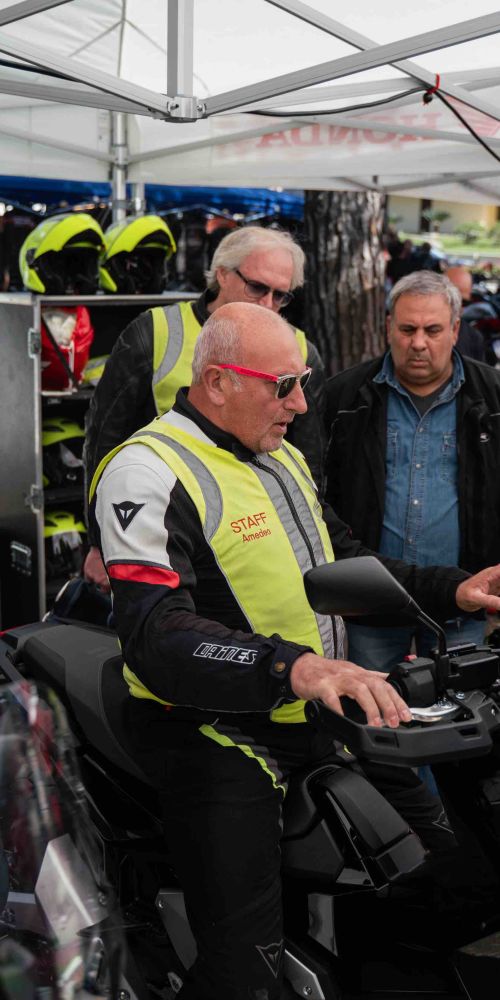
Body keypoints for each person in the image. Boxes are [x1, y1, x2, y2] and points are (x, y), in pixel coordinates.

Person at [89, 302, 500, 1000]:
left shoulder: (277, 454)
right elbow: (156, 632)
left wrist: (455, 590)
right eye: (283, 386)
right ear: (218, 382)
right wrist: (292, 666)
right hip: (213, 729)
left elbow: (346, 556)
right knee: (244, 969)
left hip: (316, 706)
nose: (302, 403)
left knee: (446, 881)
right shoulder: (147, 470)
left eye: (302, 382)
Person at [83, 225, 326, 591]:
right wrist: (99, 540)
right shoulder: (157, 332)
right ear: (223, 274)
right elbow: (106, 436)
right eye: (257, 287)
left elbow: (310, 459)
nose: (267, 304)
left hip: (257, 535)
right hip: (167, 524)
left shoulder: (299, 350)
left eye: (281, 295)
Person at [324, 270, 500, 671]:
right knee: (372, 702)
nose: (418, 343)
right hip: (371, 602)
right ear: (388, 327)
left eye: (432, 330)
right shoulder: (343, 397)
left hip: (465, 600)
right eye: (407, 329)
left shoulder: (493, 398)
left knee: (459, 704)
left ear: (455, 330)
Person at [446, 265, 486, 362]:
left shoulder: (474, 337)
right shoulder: (418, 329)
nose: (457, 307)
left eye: (463, 302)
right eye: (451, 301)